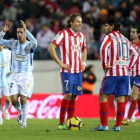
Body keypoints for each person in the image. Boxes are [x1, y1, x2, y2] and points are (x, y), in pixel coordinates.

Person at [91, 17, 139, 131]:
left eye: (106, 25)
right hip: (125, 74)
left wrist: (105, 66)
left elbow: (103, 50)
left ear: (112, 26)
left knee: (103, 97)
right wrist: (129, 66)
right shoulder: (125, 39)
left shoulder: (108, 37)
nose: (104, 27)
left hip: (112, 72)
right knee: (121, 99)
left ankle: (104, 125)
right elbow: (136, 54)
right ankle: (117, 126)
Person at [48, 13, 87, 130]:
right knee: (68, 94)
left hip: (78, 71)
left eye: (81, 22)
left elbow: (84, 50)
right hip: (67, 71)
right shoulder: (63, 34)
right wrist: (60, 63)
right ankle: (61, 123)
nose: (80, 24)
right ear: (71, 22)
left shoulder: (82, 36)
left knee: (74, 96)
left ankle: (70, 122)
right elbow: (51, 48)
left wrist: (84, 63)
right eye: (77, 21)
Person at [0, 20, 37, 128]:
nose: (19, 34)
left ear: (25, 33)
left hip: (26, 75)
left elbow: (36, 43)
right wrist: (3, 31)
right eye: (18, 32)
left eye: (21, 32)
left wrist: (27, 30)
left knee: (23, 98)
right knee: (13, 99)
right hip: (14, 75)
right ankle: (21, 111)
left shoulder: (29, 46)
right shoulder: (13, 43)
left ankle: (24, 123)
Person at [122, 26, 140, 125]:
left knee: (133, 96)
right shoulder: (128, 45)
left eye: (133, 32)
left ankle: (128, 119)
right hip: (130, 73)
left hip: (139, 73)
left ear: (138, 34)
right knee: (135, 97)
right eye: (131, 32)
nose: (131, 33)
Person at [0, 45, 11, 124]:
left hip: (6, 80)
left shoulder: (8, 53)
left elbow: (13, 63)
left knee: (8, 99)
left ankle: (5, 109)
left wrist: (12, 70)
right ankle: (0, 116)